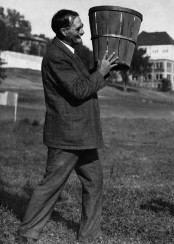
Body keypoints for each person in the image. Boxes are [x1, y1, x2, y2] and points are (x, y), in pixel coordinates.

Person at [17, 9, 118, 243]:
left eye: (82, 25)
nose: (83, 30)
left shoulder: (70, 51)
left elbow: (82, 82)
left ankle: (88, 237)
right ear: (64, 31)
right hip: (67, 134)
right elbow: (79, 90)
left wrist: (104, 70)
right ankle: (26, 234)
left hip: (81, 134)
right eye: (78, 27)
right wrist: (100, 73)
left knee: (94, 181)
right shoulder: (56, 56)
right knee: (51, 185)